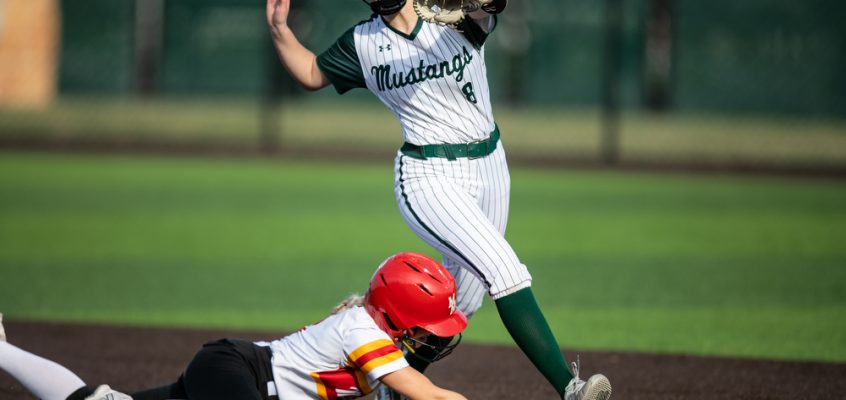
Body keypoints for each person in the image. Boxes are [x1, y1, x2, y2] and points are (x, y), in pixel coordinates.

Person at [266, 1, 611, 399]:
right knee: (503, 270)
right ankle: (571, 389)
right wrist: (279, 30)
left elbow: (490, 6)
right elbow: (311, 73)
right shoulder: (363, 42)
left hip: (490, 165)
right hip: (428, 176)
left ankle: (388, 392)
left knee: (460, 304)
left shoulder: (451, 13)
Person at [0, 252, 469, 400]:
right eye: (429, 324)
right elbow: (426, 394)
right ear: (398, 316)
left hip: (230, 374)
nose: (434, 335)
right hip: (237, 372)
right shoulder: (365, 333)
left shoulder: (370, 328)